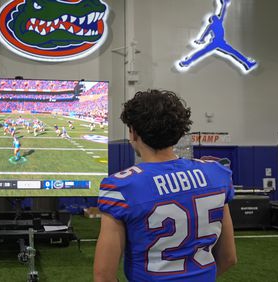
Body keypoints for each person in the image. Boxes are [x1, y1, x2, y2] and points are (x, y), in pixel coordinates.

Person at [94, 89, 236, 282]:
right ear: (178, 132)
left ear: (134, 133)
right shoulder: (216, 174)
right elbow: (228, 258)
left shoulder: (122, 187)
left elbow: (104, 276)